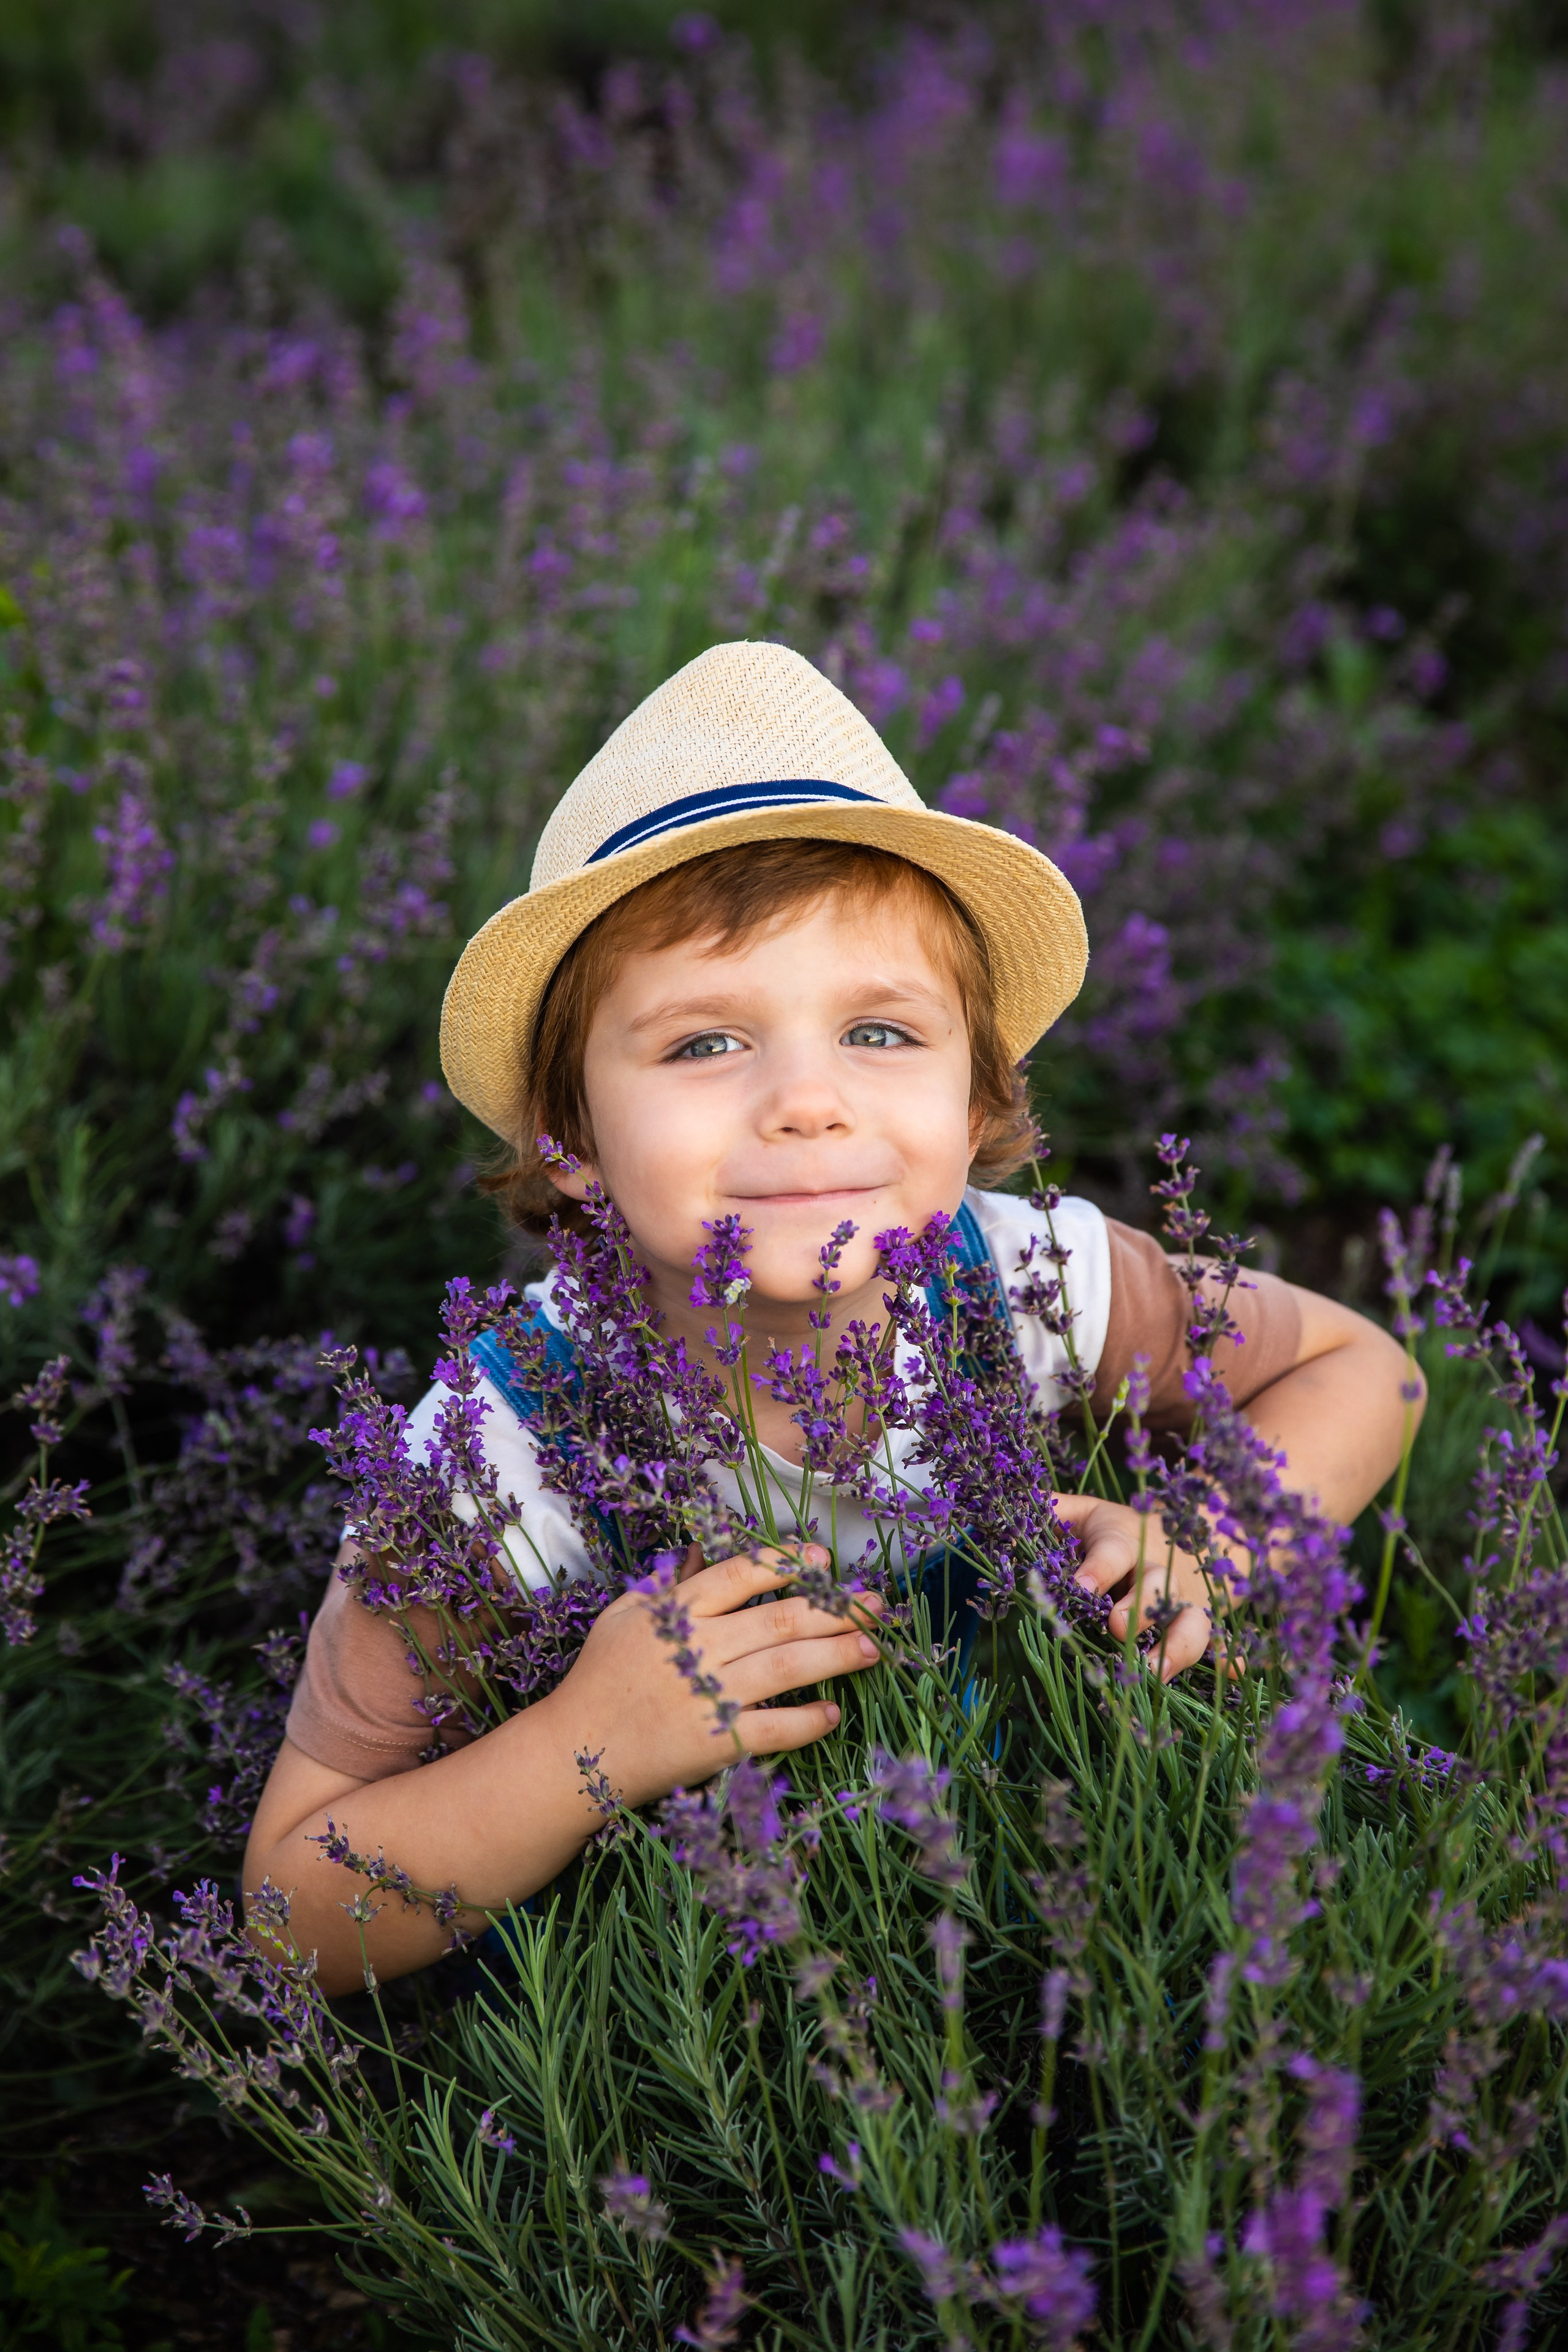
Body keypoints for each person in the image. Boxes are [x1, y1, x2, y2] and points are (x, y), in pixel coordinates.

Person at [244, 640, 1418, 1992]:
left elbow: (1366, 1370)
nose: (808, 1100)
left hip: (1049, 1939)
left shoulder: (1032, 1278)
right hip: (701, 2023)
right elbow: (289, 1906)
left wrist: (1206, 1548)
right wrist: (588, 1745)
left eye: (880, 1034)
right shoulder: (498, 1453)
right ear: (569, 1139)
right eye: (704, 1042)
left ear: (976, 1101)